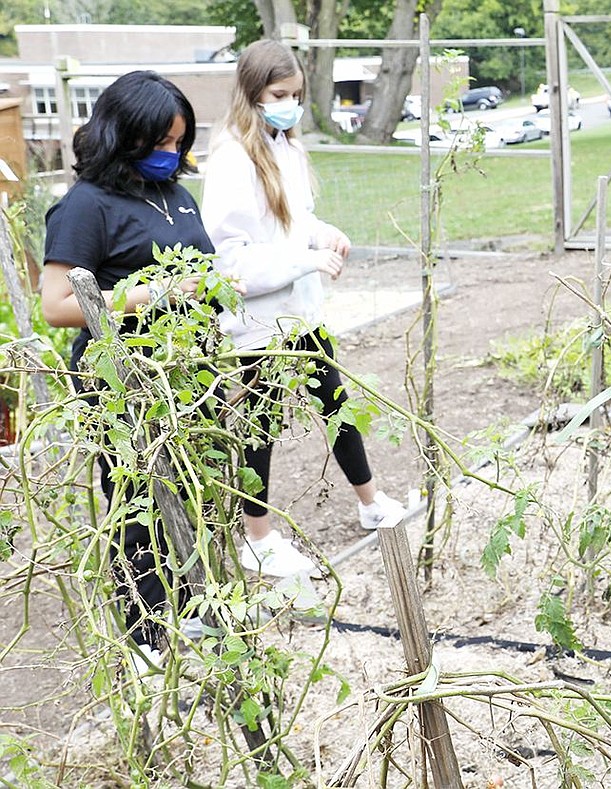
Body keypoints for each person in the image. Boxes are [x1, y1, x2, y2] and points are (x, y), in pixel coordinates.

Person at [201, 39, 404, 578]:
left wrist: (326, 235)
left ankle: (370, 502)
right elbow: (231, 264)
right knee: (259, 426)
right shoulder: (231, 159)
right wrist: (305, 261)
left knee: (335, 403)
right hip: (259, 322)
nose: (288, 103)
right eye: (278, 94)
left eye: (295, 94)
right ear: (252, 94)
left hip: (300, 314)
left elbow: (298, 220)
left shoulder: (282, 145)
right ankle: (258, 537)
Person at [40, 71, 215, 667]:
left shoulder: (174, 194)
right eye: (160, 144)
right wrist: (155, 293)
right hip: (121, 379)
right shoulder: (85, 206)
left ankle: (195, 616)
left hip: (188, 371)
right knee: (136, 504)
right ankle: (145, 639)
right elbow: (59, 305)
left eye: (178, 142)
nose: (172, 155)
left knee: (192, 492)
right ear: (124, 137)